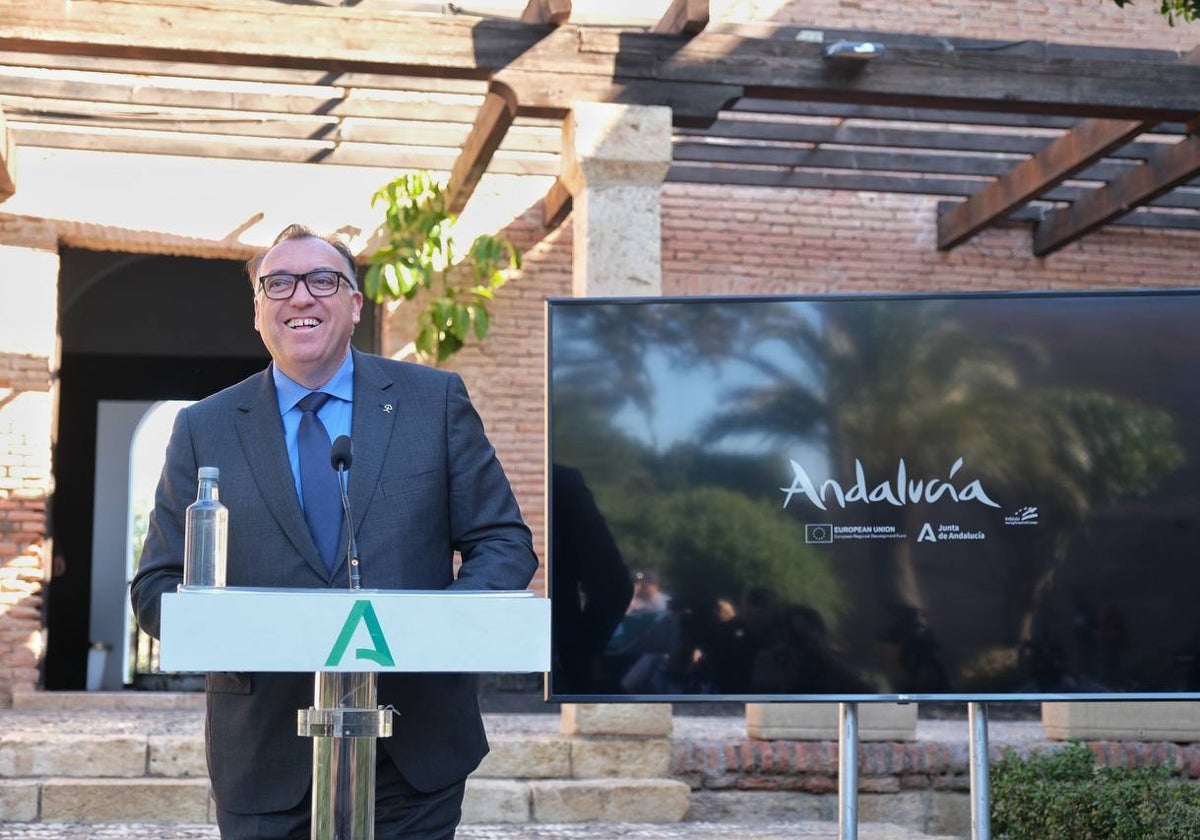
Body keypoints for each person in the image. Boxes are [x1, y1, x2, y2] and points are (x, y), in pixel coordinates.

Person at [130, 224, 538, 840]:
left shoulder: (435, 401)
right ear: (259, 311)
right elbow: (156, 584)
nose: (301, 297)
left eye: (324, 280)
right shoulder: (203, 426)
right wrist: (231, 630)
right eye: (279, 283)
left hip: (413, 742)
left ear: (354, 304)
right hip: (265, 751)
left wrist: (435, 633)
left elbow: (504, 544)